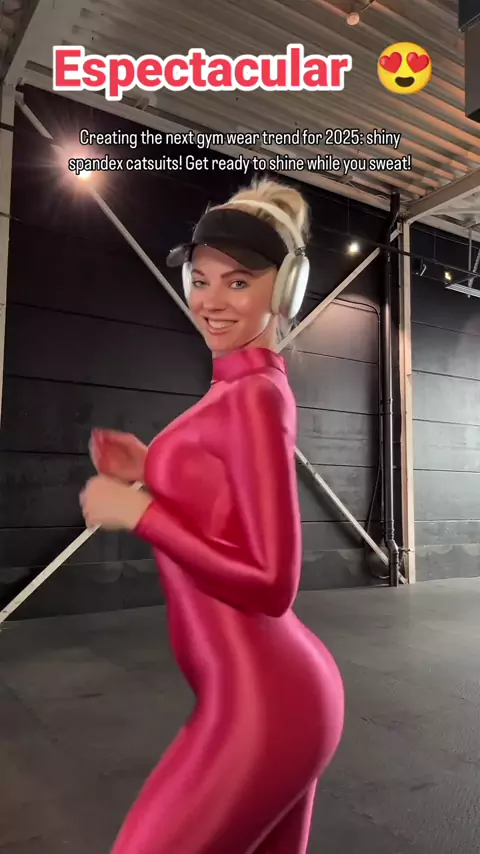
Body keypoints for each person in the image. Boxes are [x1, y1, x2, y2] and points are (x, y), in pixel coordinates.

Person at [79, 177, 344, 854]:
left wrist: (141, 513)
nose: (211, 301)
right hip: (265, 698)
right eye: (201, 280)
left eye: (239, 282)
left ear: (284, 291)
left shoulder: (255, 396)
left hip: (264, 706)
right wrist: (150, 467)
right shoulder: (235, 389)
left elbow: (274, 583)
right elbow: (220, 499)